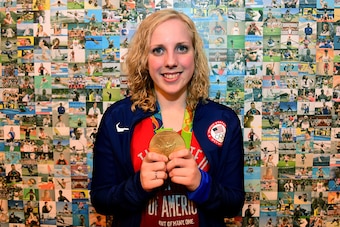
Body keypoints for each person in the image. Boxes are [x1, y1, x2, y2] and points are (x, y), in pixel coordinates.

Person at [90, 9, 244, 226]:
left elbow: (234, 204)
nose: (171, 61)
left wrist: (202, 184)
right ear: (144, 58)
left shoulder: (224, 120)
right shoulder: (118, 118)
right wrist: (137, 186)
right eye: (158, 50)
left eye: (181, 48)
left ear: (195, 55)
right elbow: (101, 200)